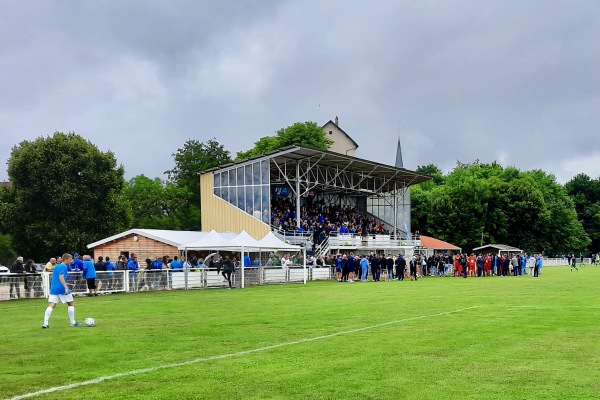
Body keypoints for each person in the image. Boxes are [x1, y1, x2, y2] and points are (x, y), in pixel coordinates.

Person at [42, 253, 83, 328]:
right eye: (70, 260)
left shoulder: (57, 266)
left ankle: (45, 323)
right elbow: (61, 277)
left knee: (51, 304)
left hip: (54, 288)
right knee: (71, 303)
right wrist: (66, 287)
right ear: (66, 259)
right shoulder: (64, 266)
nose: (71, 261)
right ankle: (72, 322)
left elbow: (57, 277)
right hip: (62, 288)